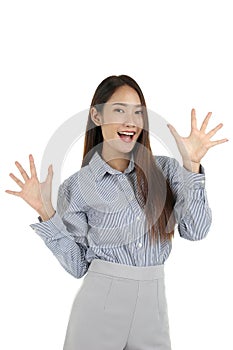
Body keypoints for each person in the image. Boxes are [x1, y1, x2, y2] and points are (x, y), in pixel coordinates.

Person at [6, 75, 228, 350]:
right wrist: (46, 211)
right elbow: (78, 266)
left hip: (153, 306)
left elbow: (196, 231)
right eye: (119, 110)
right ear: (97, 116)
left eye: (138, 112)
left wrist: (192, 165)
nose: (130, 121)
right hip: (99, 306)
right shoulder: (76, 187)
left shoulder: (167, 170)